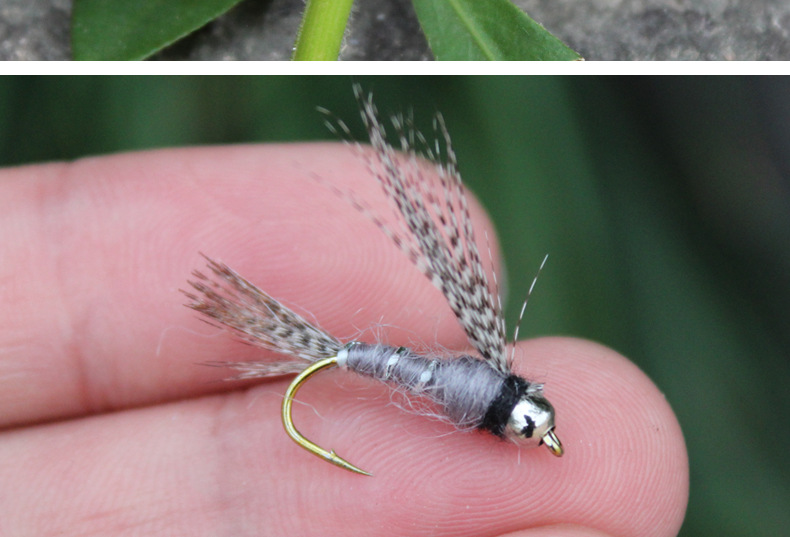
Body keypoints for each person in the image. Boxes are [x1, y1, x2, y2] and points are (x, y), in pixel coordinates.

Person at [0, 145, 688, 536]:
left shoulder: (485, 384)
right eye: (538, 426)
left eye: (535, 430)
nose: (543, 433)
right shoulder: (484, 399)